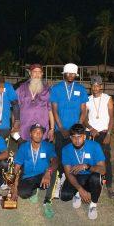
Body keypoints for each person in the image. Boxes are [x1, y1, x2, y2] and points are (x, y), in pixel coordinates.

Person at [50, 63, 88, 196]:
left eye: (73, 73)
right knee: (60, 156)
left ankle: (73, 180)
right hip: (60, 130)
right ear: (64, 74)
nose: (71, 76)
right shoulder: (56, 88)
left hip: (76, 132)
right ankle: (60, 179)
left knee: (75, 156)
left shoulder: (81, 89)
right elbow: (54, 110)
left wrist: (77, 127)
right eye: (69, 73)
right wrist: (61, 128)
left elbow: (83, 110)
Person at [11, 123, 58, 219]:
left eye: (40, 132)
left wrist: (48, 172)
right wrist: (14, 187)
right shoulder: (24, 147)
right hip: (28, 176)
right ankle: (34, 190)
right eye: (35, 132)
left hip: (44, 174)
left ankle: (47, 201)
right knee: (23, 194)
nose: (38, 134)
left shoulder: (48, 146)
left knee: (53, 171)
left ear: (43, 135)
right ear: (30, 134)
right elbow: (17, 167)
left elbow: (55, 161)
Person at [60, 123, 106, 220]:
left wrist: (87, 166)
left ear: (84, 136)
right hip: (76, 176)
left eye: (79, 137)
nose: (76, 140)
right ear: (70, 138)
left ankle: (93, 205)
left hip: (91, 175)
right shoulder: (66, 149)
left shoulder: (95, 146)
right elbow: (68, 173)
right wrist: (80, 189)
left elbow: (103, 170)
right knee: (65, 196)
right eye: (74, 137)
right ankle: (78, 193)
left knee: (96, 178)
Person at [84, 75, 114, 198]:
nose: (95, 87)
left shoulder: (107, 98)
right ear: (91, 86)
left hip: (103, 133)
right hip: (90, 133)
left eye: (98, 85)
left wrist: (109, 133)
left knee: (105, 160)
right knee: (89, 159)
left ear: (101, 86)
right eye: (93, 85)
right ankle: (89, 185)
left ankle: (109, 186)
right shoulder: (87, 99)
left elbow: (111, 118)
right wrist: (91, 129)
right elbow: (84, 118)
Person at [15, 64, 54, 143]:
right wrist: (15, 125)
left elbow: (50, 111)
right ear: (30, 73)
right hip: (25, 130)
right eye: (34, 72)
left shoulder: (47, 90)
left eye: (39, 72)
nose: (37, 74)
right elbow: (16, 108)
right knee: (24, 153)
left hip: (42, 130)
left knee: (42, 154)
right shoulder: (21, 88)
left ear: (42, 74)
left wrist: (52, 129)